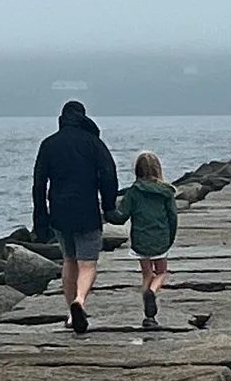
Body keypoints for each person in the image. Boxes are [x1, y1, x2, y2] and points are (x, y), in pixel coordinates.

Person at [32, 101, 119, 336]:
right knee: (88, 263)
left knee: (69, 260)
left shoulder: (49, 144)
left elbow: (39, 184)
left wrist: (40, 218)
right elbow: (109, 174)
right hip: (88, 210)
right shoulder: (94, 143)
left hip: (59, 212)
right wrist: (109, 206)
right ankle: (79, 302)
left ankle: (71, 315)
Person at [113, 150, 178, 329]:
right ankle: (152, 292)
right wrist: (170, 237)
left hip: (141, 239)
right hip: (161, 237)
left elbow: (122, 215)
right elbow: (172, 217)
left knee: (147, 274)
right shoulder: (166, 191)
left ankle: (148, 314)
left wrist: (108, 211)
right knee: (162, 272)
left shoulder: (134, 192)